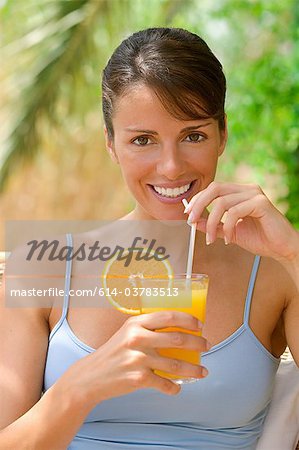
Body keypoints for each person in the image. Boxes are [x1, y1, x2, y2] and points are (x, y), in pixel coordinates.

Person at [0, 27, 298, 450]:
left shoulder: (274, 272)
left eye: (193, 135)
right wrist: (81, 386)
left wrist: (293, 253)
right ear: (111, 144)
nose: (172, 167)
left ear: (222, 135)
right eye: (143, 140)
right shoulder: (41, 263)